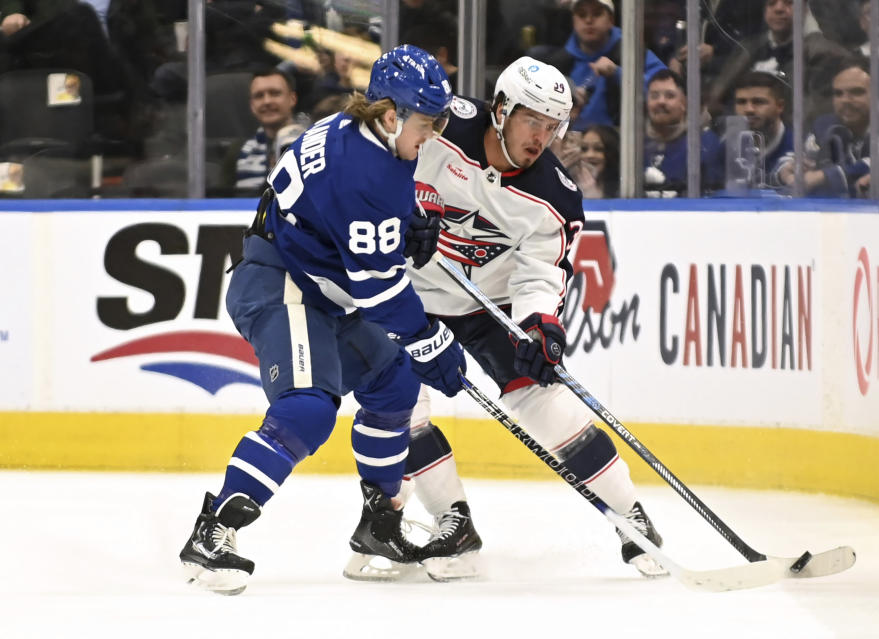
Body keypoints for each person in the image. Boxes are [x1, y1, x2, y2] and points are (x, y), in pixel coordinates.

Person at [347, 55, 668, 581]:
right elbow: (378, 162)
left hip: (487, 303)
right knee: (400, 406)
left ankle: (631, 518)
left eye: (552, 126)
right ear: (500, 109)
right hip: (411, 295)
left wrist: (541, 323)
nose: (541, 137)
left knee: (545, 401)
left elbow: (542, 271)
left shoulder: (554, 197)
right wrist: (396, 218)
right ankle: (454, 523)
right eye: (531, 121)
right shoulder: (440, 124)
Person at [179, 44, 467, 595]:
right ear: (391, 116)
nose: (431, 135)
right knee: (308, 409)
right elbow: (380, 290)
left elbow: (340, 215)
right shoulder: (370, 173)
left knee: (394, 384)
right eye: (427, 124)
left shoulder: (354, 127)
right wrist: (431, 339)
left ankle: (378, 529)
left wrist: (407, 224)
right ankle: (213, 532)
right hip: (280, 281)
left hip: (317, 285)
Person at [534, 0, 667, 131]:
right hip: (570, 142)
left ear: (611, 20)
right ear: (573, 22)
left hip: (619, 142)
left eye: (597, 14)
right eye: (582, 15)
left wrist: (618, 73)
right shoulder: (558, 63)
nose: (589, 21)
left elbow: (665, 91)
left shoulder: (633, 53)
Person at [775, 57, 870, 197]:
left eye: (856, 92)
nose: (845, 100)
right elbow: (798, 157)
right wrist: (786, 171)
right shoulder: (825, 125)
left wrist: (823, 176)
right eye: (838, 93)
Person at [643, 69, 723, 194]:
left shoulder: (705, 143)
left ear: (684, 103)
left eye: (670, 96)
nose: (661, 102)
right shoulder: (636, 143)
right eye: (654, 96)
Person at [234, 67, 310, 195]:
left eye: (275, 93)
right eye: (259, 96)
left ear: (292, 99)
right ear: (252, 105)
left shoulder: (313, 143)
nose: (267, 101)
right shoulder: (237, 151)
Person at [569, 123, 620, 198]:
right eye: (584, 149)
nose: (589, 155)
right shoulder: (568, 182)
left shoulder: (623, 187)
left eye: (598, 149)